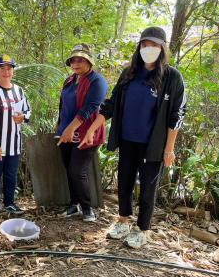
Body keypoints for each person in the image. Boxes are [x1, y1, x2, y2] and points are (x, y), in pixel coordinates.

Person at [80, 26, 186, 248]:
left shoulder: (172, 77)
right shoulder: (129, 73)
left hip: (152, 145)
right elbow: (110, 104)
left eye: (154, 45)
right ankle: (123, 221)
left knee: (148, 188)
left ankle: (143, 229)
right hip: (128, 140)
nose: (149, 49)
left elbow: (176, 115)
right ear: (139, 46)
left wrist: (169, 149)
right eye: (145, 44)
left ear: (162, 48)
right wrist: (91, 129)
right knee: (125, 182)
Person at [56, 44, 108, 221]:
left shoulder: (97, 81)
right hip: (65, 132)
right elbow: (63, 106)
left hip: (87, 133)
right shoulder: (69, 80)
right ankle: (73, 205)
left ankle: (87, 208)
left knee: (78, 171)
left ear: (89, 61)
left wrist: (72, 128)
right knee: (68, 170)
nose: (76, 63)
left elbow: (90, 107)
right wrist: (61, 128)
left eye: (80, 60)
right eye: (73, 60)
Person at [0, 54, 31, 217]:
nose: (6, 71)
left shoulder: (19, 90)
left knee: (11, 175)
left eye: (9, 68)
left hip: (14, 144)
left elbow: (27, 110)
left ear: (13, 71)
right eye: (2, 68)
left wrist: (23, 117)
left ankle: (9, 203)